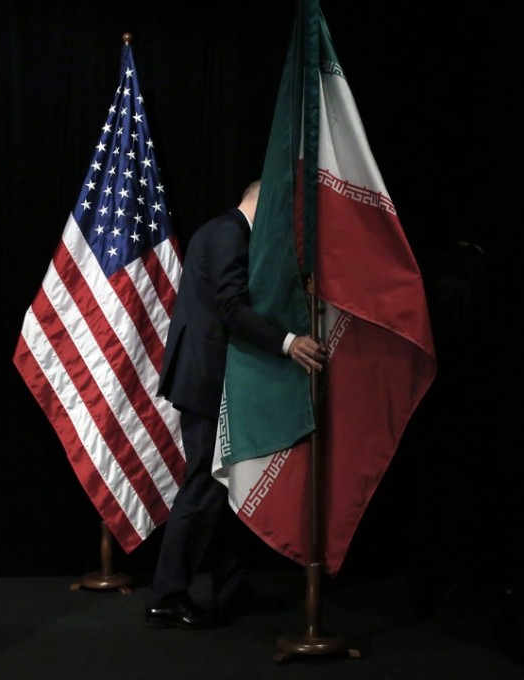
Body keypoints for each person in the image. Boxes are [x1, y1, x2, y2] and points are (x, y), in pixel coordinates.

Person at [146, 179, 327, 629]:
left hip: (210, 376)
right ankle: (166, 595)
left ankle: (231, 586)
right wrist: (288, 342)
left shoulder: (222, 231)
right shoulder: (230, 233)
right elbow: (231, 307)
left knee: (221, 488)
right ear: (260, 203)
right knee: (205, 487)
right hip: (206, 379)